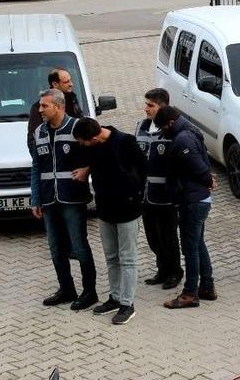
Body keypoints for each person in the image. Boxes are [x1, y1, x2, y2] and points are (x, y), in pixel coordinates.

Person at [73, 118, 147, 325]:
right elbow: (93, 163)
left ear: (95, 137)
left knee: (128, 258)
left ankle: (127, 304)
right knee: (111, 257)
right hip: (105, 209)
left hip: (127, 209)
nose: (83, 146)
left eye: (84, 142)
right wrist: (87, 171)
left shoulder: (126, 142)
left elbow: (143, 168)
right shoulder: (93, 146)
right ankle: (114, 298)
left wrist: (134, 194)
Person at [29, 89, 98, 310]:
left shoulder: (77, 127)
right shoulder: (39, 132)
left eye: (44, 106)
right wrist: (35, 199)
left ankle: (90, 292)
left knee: (79, 246)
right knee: (55, 248)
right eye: (40, 106)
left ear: (58, 107)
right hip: (49, 199)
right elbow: (36, 167)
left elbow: (95, 155)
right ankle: (67, 289)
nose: (40, 110)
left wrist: (87, 169)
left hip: (72, 199)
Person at [154, 106, 217, 309]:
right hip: (197, 199)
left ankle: (190, 293)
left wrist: (208, 180)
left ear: (171, 123)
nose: (163, 133)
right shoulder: (188, 131)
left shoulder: (182, 139)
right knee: (198, 244)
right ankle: (206, 287)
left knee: (190, 248)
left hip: (192, 201)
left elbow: (197, 165)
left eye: (164, 128)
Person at [135, 89, 183, 290]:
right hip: (146, 196)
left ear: (163, 107)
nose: (146, 108)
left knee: (168, 237)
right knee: (153, 237)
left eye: (150, 105)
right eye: (146, 104)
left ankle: (175, 272)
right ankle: (162, 269)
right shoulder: (142, 127)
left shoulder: (172, 130)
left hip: (166, 197)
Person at [27, 68, 84, 151]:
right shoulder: (39, 107)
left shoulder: (73, 99)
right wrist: (43, 160)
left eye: (70, 80)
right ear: (55, 84)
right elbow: (33, 139)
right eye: (66, 82)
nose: (71, 84)